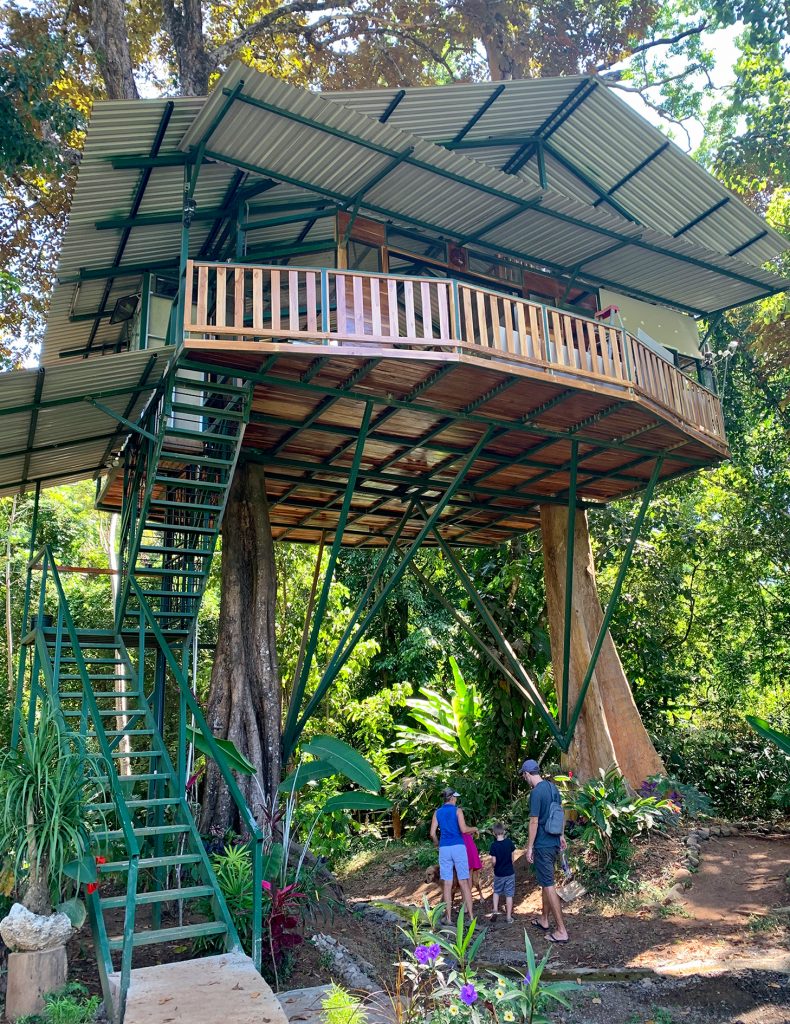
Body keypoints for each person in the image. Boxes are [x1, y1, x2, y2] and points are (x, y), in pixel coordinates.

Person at [520, 758, 569, 943]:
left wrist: (529, 847)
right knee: (546, 881)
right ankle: (544, 919)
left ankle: (561, 931)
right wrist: (561, 835)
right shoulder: (553, 788)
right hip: (554, 841)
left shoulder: (536, 793)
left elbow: (533, 821)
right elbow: (559, 812)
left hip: (542, 844)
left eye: (523, 775)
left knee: (549, 885)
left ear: (526, 774)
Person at [430, 788, 478, 925]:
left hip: (444, 848)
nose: (456, 799)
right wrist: (474, 828)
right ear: (451, 798)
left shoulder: (437, 812)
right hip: (458, 847)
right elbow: (463, 830)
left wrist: (437, 843)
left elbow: (432, 833)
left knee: (447, 883)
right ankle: (471, 918)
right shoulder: (458, 811)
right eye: (455, 797)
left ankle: (449, 918)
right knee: (463, 881)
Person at [488, 822, 516, 923]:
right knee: (509, 894)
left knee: (496, 891)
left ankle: (495, 910)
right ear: (504, 831)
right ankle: (508, 917)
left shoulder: (493, 846)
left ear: (494, 833)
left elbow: (494, 861)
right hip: (509, 872)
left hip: (499, 873)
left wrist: (493, 866)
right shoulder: (509, 843)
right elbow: (512, 858)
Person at [461, 816, 484, 904]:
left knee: (464, 877)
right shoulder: (469, 829)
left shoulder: (458, 828)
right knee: (468, 876)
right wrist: (475, 828)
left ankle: (466, 902)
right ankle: (467, 900)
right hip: (468, 849)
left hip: (462, 849)